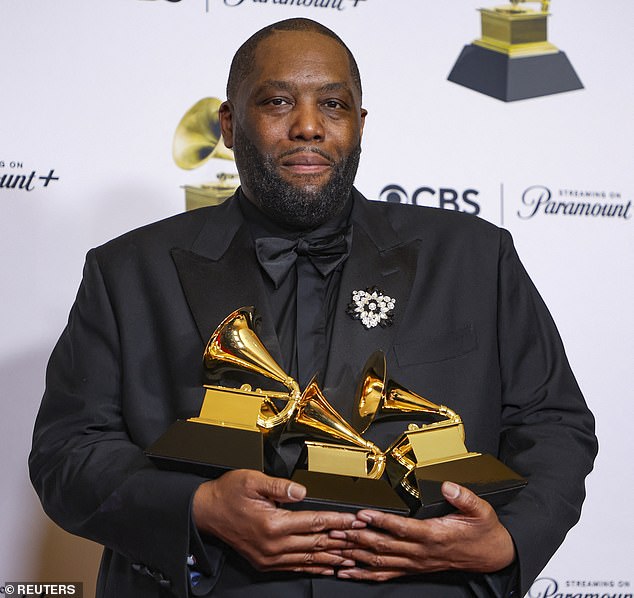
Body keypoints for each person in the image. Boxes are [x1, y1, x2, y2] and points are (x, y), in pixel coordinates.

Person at [29, 17, 597, 598]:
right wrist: (197, 507)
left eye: (333, 104)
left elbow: (553, 424)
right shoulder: (127, 271)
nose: (307, 126)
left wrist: (509, 540)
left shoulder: (477, 258)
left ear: (360, 124)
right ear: (229, 124)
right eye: (277, 102)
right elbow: (65, 453)